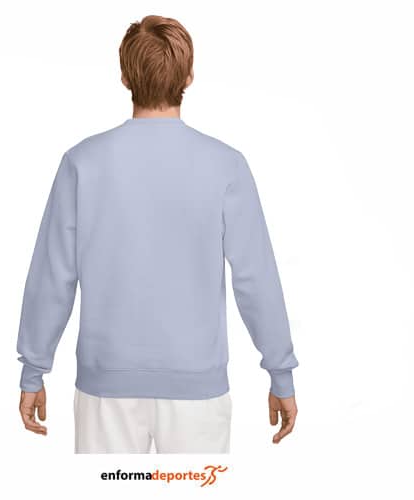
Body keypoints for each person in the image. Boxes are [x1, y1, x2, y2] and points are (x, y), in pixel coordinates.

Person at [16, 14, 299, 453]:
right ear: (189, 76)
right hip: (197, 391)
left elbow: (52, 278)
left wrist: (34, 369)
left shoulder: (82, 163)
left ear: (125, 76)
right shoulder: (225, 165)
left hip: (105, 388)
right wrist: (280, 373)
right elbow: (256, 279)